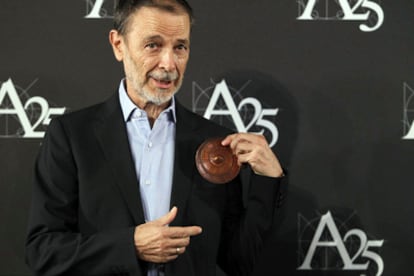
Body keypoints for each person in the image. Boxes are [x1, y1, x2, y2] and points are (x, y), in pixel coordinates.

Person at [25, 0, 286, 275]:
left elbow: (239, 260)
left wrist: (268, 181)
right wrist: (130, 246)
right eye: (153, 45)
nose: (169, 63)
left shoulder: (215, 144)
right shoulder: (72, 136)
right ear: (118, 45)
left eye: (180, 47)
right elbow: (43, 250)